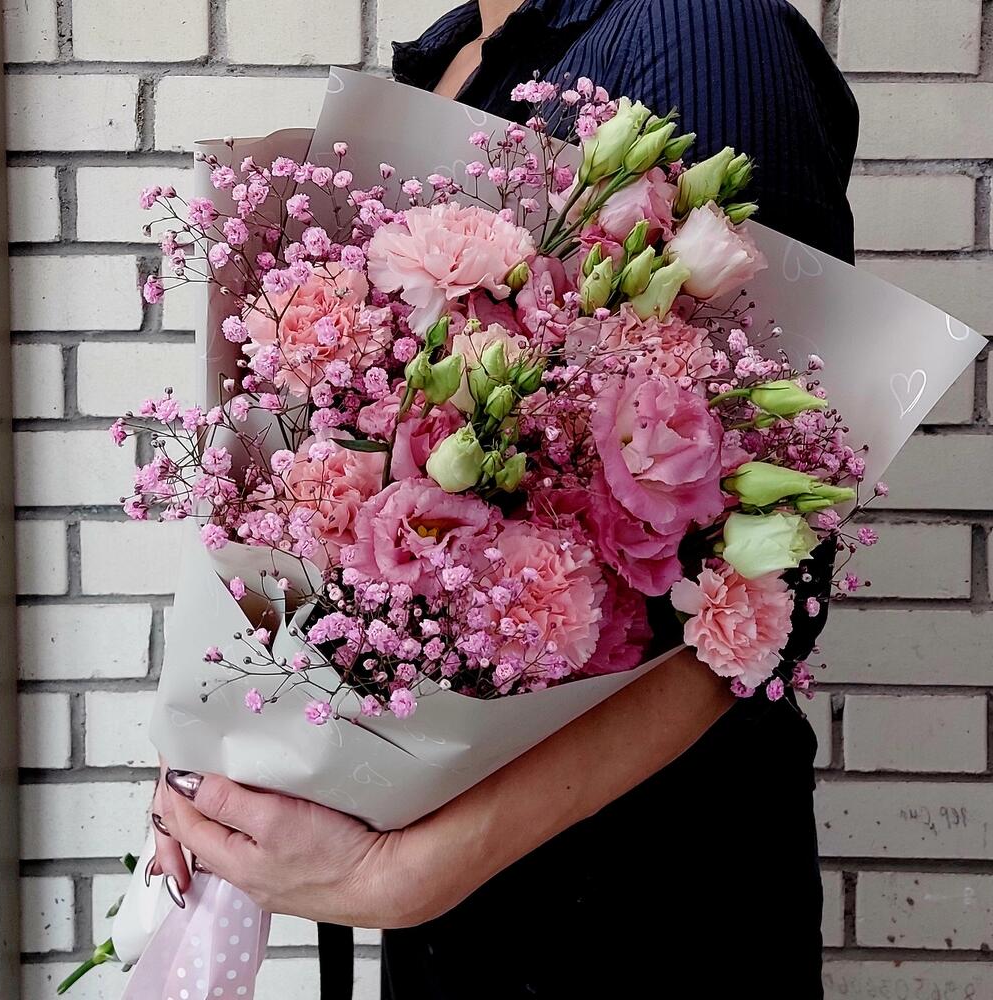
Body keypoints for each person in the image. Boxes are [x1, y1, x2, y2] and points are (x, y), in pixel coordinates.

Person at [153, 2, 858, 997]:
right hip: (458, 896)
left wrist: (404, 871)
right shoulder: (456, 53)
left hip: (636, 905)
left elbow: (766, 583)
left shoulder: (697, 29)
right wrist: (239, 740)